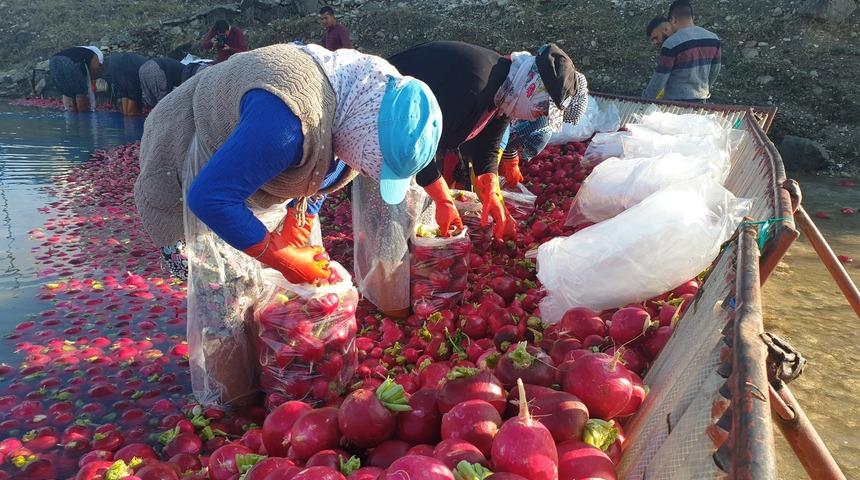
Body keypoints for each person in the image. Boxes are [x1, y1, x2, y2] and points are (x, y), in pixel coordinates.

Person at [134, 43, 441, 406]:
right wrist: (281, 258)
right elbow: (209, 198)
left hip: (247, 168)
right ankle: (231, 411)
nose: (373, 172)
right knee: (224, 300)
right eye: (377, 164)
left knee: (263, 295)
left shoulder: (365, 97)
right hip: (190, 168)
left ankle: (266, 381)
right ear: (365, 133)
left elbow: (330, 171)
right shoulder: (289, 120)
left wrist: (302, 216)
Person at [388, 41, 579, 240]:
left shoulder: (506, 89)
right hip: (378, 118)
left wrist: (491, 191)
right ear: (533, 89)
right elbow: (414, 143)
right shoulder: (475, 86)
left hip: (401, 135)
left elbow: (489, 143)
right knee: (387, 223)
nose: (538, 115)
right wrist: (443, 200)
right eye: (542, 108)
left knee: (404, 220)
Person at [500, 72, 589, 186]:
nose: (543, 114)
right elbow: (500, 130)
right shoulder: (518, 90)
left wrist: (510, 159)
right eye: (545, 111)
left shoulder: (535, 96)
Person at [643, 1, 722, 102]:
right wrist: (703, 89)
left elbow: (660, 78)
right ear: (691, 17)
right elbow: (714, 71)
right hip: (701, 102)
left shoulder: (671, 44)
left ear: (673, 20)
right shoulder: (713, 39)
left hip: (676, 104)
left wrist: (645, 99)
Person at [48, 46, 104, 112]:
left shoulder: (77, 51)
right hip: (70, 62)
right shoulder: (94, 55)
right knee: (80, 92)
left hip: (53, 62)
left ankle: (71, 118)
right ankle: (84, 118)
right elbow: (94, 69)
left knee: (67, 93)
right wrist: (93, 80)